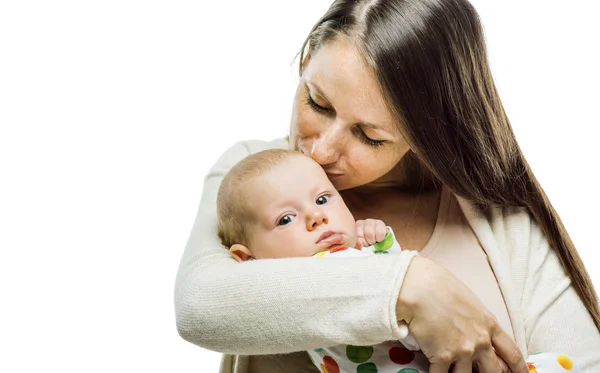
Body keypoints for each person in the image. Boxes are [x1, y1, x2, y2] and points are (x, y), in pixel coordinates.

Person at [174, 0, 600, 372]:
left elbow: (585, 362)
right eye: (317, 103)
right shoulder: (251, 175)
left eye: (369, 136)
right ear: (305, 62)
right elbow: (199, 307)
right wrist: (410, 287)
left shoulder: (496, 217)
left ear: (428, 133)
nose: (320, 152)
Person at [215, 148, 583, 373]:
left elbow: (398, 274)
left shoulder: (352, 251)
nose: (316, 217)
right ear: (246, 258)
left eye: (324, 200)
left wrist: (379, 240)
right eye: (285, 219)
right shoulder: (276, 284)